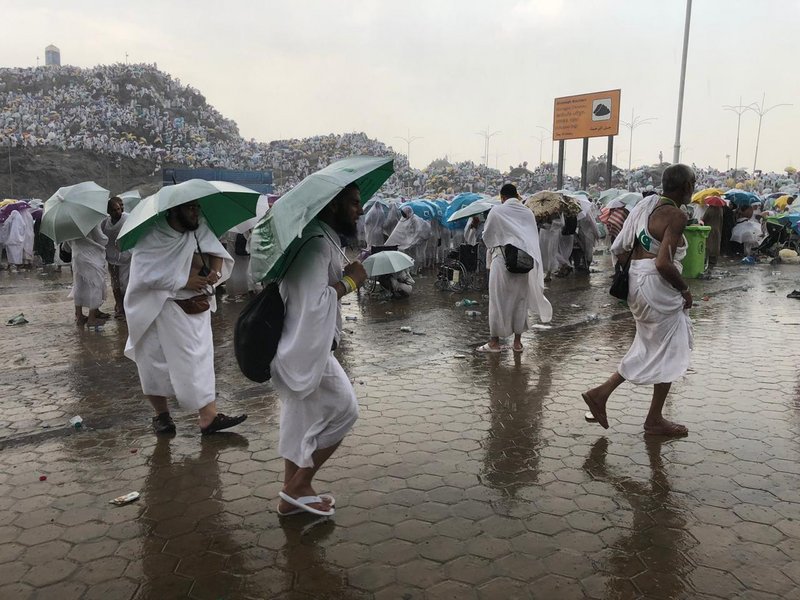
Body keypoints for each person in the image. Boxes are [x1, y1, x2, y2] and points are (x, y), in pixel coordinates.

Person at [273, 182, 367, 517]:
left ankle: (289, 502)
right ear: (332, 205)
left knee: (299, 421)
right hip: (306, 346)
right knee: (345, 409)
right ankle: (298, 484)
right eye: (353, 203)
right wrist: (352, 281)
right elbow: (313, 303)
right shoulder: (315, 245)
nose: (359, 209)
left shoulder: (321, 239)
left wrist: (341, 276)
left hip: (295, 342)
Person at [582, 164, 695, 437]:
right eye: (693, 183)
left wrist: (637, 278)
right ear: (685, 187)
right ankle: (653, 418)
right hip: (657, 286)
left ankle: (602, 394)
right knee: (671, 347)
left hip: (636, 282)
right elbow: (663, 264)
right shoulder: (675, 215)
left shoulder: (646, 206)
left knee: (648, 345)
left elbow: (620, 248)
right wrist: (684, 289)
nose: (694, 188)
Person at [124, 201, 247, 435]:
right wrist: (184, 281)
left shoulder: (199, 228)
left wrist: (215, 272)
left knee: (199, 361)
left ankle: (208, 417)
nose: (195, 212)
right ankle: (162, 416)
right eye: (190, 208)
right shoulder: (152, 235)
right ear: (173, 210)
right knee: (154, 363)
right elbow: (144, 274)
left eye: (197, 208)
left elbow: (216, 252)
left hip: (194, 307)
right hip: (159, 307)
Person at [478, 183, 552, 353]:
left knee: (498, 301)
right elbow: (533, 237)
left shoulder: (497, 211)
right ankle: (517, 343)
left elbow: (487, 236)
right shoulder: (527, 212)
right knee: (520, 301)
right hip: (523, 262)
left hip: (501, 261)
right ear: (517, 195)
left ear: (502, 197)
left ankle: (494, 342)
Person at [69, 222, 109, 328]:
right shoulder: (90, 220)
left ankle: (79, 315)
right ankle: (92, 318)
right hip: (91, 256)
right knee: (96, 285)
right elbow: (101, 239)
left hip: (76, 255)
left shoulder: (68, 222)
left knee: (78, 284)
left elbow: (67, 244)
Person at [101, 197, 131, 318]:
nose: (118, 212)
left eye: (119, 209)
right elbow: (101, 237)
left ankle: (127, 304)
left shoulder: (128, 218)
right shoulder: (105, 222)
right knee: (115, 282)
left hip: (127, 257)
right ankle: (119, 306)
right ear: (108, 211)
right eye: (114, 210)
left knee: (126, 282)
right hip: (112, 257)